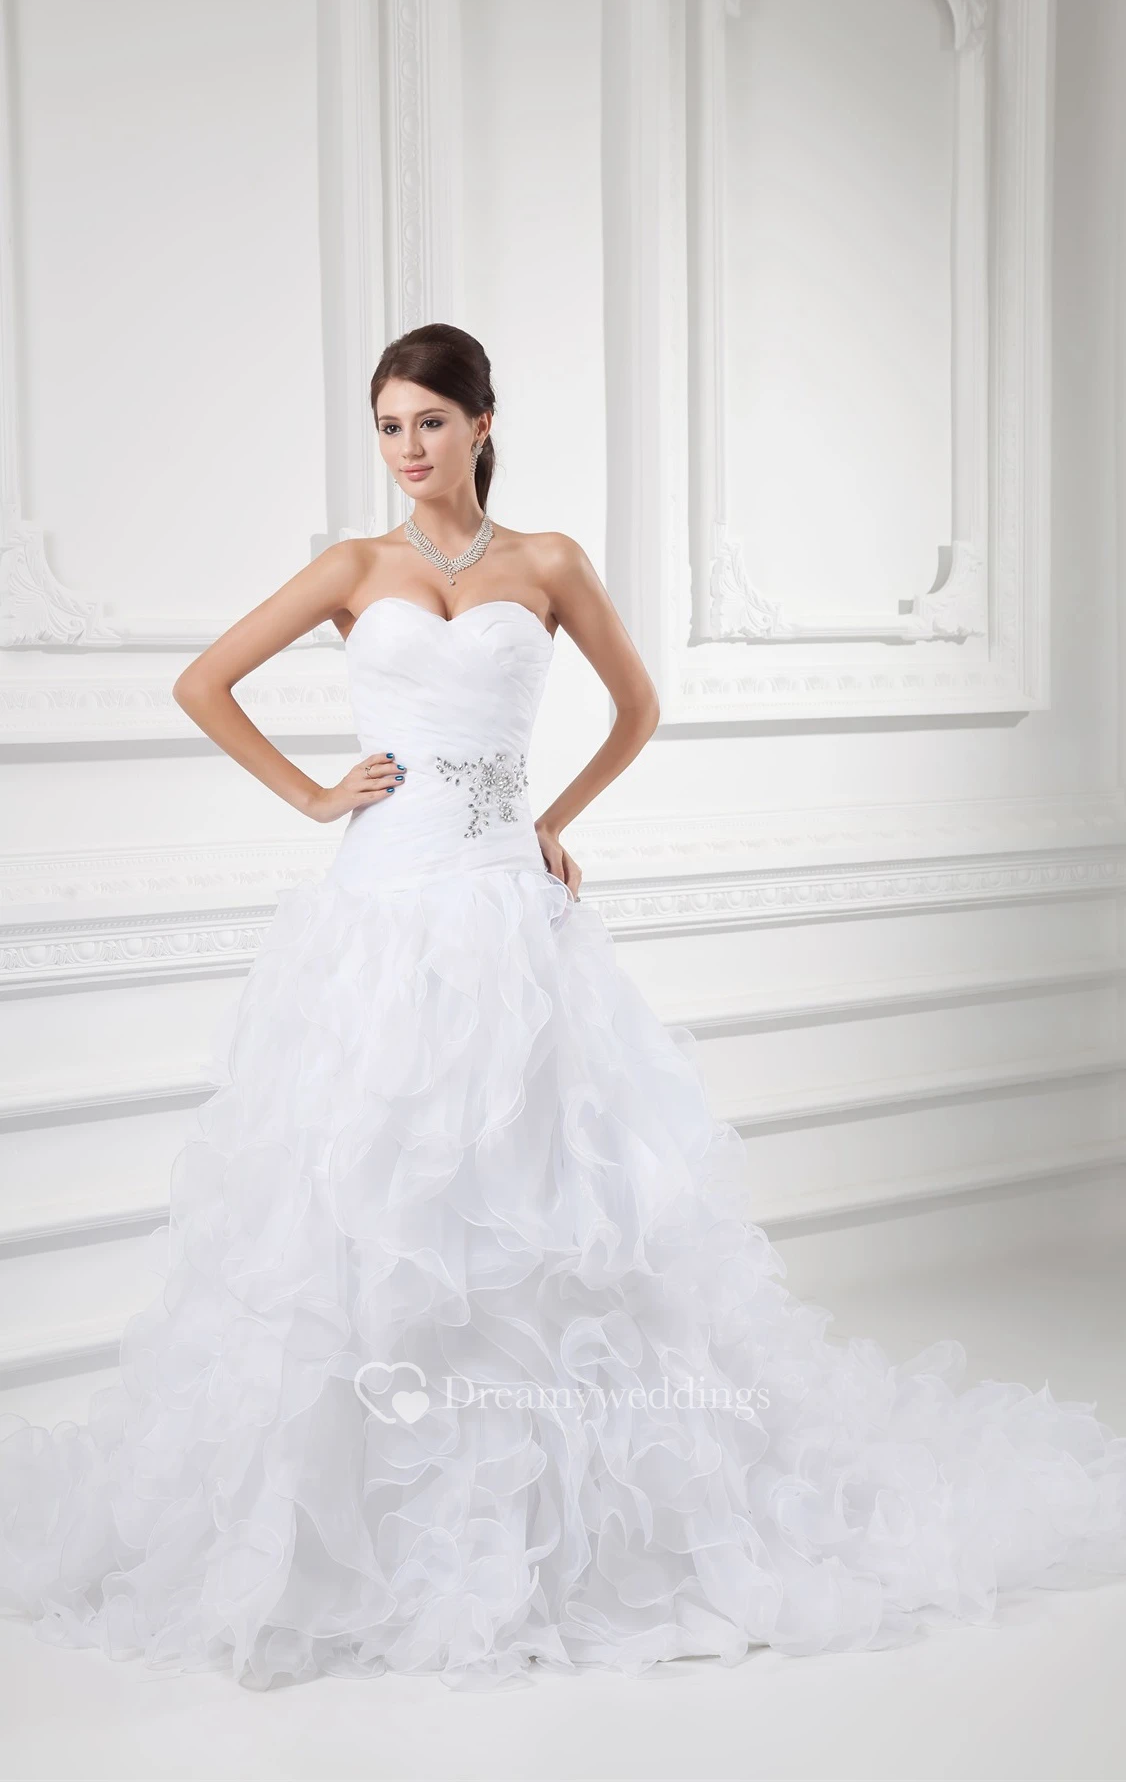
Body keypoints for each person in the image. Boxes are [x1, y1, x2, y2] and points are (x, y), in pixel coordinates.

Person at [1, 323, 1124, 1695]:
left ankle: (559, 1520)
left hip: (506, 913)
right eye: (387, 426)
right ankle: (351, 1520)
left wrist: (551, 822)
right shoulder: (353, 569)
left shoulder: (548, 565)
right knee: (365, 1197)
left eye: (429, 421)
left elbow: (638, 707)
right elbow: (200, 682)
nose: (407, 449)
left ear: (482, 423)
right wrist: (310, 795)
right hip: (379, 918)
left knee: (540, 1192)